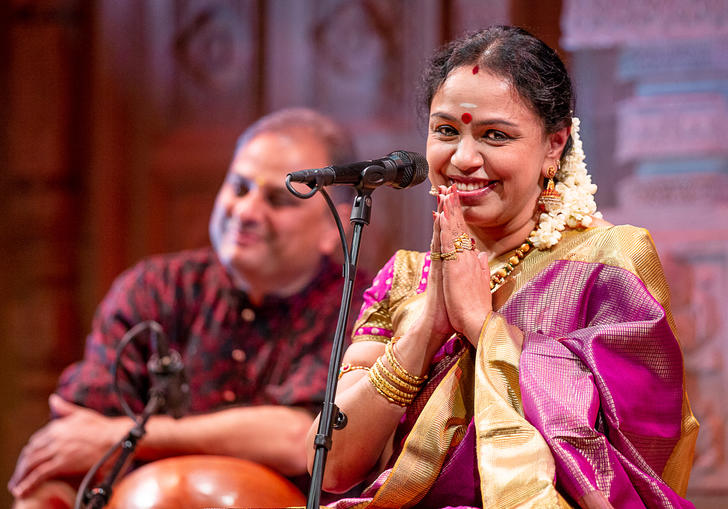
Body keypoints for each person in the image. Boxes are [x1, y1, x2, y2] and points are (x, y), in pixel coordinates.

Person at [307, 26, 699, 508]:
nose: (463, 158)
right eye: (446, 130)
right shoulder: (407, 276)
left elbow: (633, 456)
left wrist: (481, 327)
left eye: (495, 135)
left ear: (554, 146)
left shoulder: (609, 262)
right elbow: (331, 465)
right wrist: (427, 327)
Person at [9, 107, 370, 508]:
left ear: (333, 225)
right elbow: (77, 433)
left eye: (278, 200)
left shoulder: (360, 303)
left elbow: (297, 437)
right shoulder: (157, 289)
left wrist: (126, 435)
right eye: (239, 187)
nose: (247, 212)